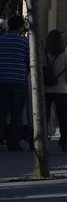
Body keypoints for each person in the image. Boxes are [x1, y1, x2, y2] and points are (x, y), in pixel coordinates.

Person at [0, 14, 28, 151]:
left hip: (2, 80)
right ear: (21, 27)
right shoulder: (24, 42)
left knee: (1, 112)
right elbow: (29, 61)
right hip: (18, 81)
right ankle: (14, 143)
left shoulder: (1, 40)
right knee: (16, 114)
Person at [42, 29, 67, 152]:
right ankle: (64, 139)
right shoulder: (64, 55)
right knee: (62, 115)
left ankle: (41, 139)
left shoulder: (43, 54)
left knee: (45, 115)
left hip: (46, 89)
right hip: (61, 89)